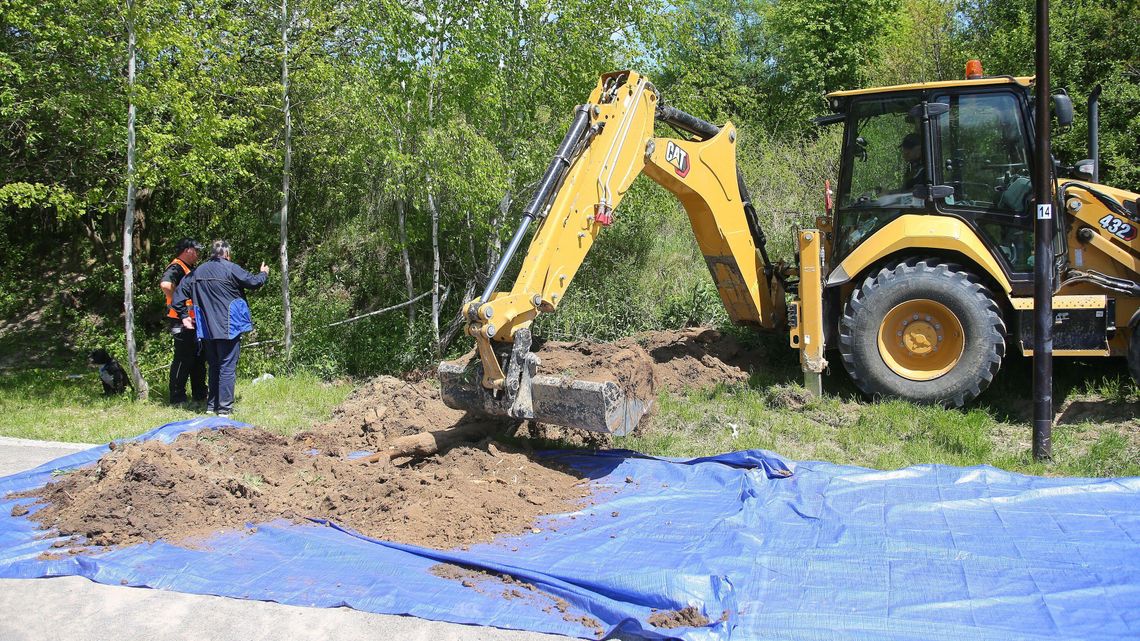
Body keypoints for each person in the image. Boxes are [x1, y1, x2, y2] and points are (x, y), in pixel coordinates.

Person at [172, 240, 269, 417]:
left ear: (212, 253)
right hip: (229, 327)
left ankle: (211, 407)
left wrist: (184, 316)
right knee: (227, 367)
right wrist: (263, 273)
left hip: (207, 329)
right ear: (227, 254)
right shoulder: (231, 268)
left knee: (214, 366)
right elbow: (254, 283)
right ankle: (224, 409)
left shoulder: (197, 272)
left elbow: (177, 295)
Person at [160, 238, 206, 406]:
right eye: (196, 250)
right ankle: (177, 397)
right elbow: (165, 285)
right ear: (187, 250)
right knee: (183, 358)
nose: (198, 254)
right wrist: (177, 303)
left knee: (198, 358)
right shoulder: (176, 267)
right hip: (181, 320)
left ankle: (200, 394)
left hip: (194, 320)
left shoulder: (189, 268)